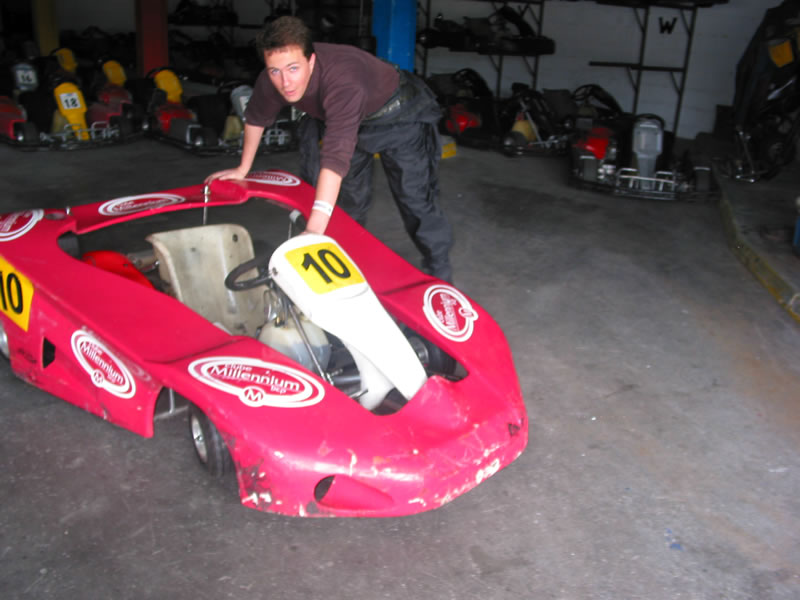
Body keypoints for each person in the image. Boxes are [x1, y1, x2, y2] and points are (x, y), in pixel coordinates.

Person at [205, 16, 454, 282]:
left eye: (293, 69)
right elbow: (256, 117)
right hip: (346, 119)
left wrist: (314, 229)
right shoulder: (272, 78)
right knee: (348, 204)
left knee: (415, 199)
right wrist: (243, 168)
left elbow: (335, 158)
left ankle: (440, 272)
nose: (285, 82)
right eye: (275, 71)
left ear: (311, 61)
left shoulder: (343, 82)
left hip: (398, 118)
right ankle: (342, 270)